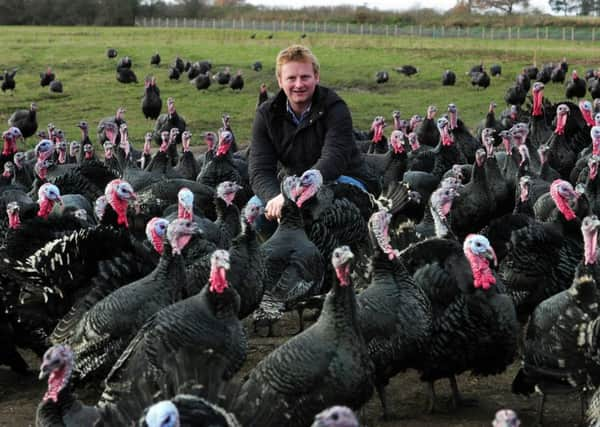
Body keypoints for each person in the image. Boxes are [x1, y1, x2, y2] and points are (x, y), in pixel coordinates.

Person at [249, 44, 378, 223]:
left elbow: (334, 158)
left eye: (305, 77)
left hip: (342, 178)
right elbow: (259, 169)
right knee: (256, 214)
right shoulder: (266, 114)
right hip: (292, 184)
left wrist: (296, 194)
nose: (298, 84)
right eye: (291, 78)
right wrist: (274, 197)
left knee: (332, 216)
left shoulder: (335, 108)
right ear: (280, 81)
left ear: (316, 77)